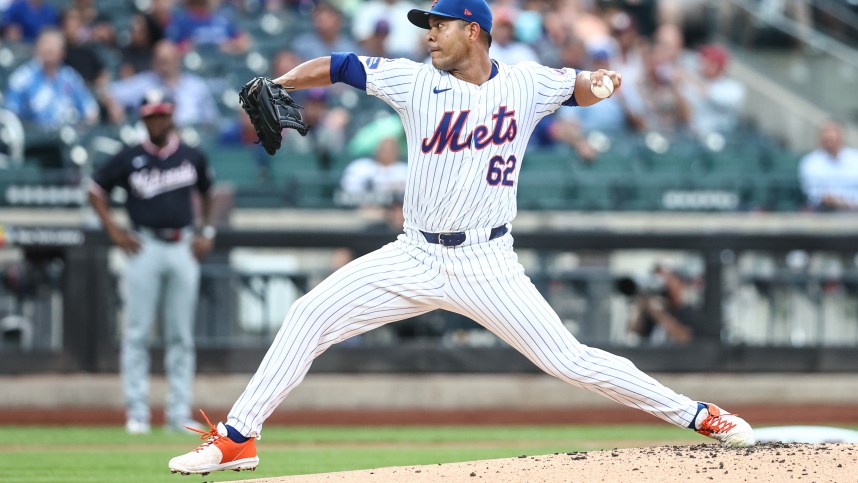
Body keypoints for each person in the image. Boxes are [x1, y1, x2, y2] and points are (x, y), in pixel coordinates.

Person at [168, 0, 754, 475]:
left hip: (488, 261)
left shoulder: (525, 83)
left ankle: (700, 415)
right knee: (307, 316)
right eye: (427, 26)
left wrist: (599, 82)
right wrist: (279, 80)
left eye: (439, 26)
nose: (429, 35)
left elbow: (580, 86)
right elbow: (341, 64)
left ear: (473, 32)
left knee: (569, 360)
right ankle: (238, 439)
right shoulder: (414, 81)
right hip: (414, 253)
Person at [87, 90, 216, 435]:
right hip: (144, 244)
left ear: (171, 116)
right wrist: (114, 230)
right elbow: (94, 189)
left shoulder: (190, 155)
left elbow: (209, 191)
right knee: (137, 332)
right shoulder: (129, 156)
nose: (157, 120)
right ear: (144, 119)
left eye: (162, 114)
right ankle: (138, 413)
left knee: (181, 335)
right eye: (151, 115)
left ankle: (177, 414)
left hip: (182, 244)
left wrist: (207, 230)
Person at [625, 263, 717, 345]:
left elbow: (686, 339)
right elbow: (634, 331)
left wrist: (658, 314)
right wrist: (641, 305)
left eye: (667, 278)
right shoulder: (653, 311)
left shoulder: (691, 313)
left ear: (679, 283)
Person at [799, 119, 858, 211]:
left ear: (842, 136)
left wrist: (847, 202)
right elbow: (812, 193)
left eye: (834, 132)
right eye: (826, 133)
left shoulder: (855, 158)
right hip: (824, 210)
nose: (830, 136)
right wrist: (835, 201)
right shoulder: (810, 162)